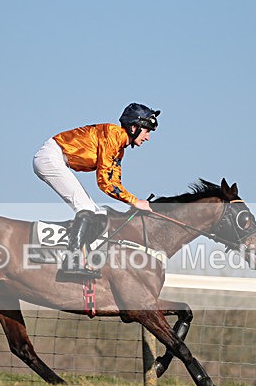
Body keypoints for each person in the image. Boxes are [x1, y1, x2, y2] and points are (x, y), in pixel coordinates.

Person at [33, 103, 160, 279]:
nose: (148, 137)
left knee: (98, 214)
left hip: (57, 159)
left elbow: (114, 181)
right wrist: (134, 201)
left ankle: (82, 257)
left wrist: (135, 200)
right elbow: (105, 183)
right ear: (134, 127)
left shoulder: (119, 146)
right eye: (147, 131)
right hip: (50, 157)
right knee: (85, 208)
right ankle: (71, 262)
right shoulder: (113, 136)